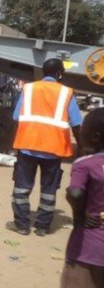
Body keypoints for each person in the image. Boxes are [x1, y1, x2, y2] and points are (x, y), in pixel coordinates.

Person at [7, 58, 83, 236]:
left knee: (21, 188)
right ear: (59, 73)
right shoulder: (66, 93)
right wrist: (83, 148)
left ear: (43, 72)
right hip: (53, 149)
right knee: (48, 190)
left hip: (27, 145)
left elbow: (16, 118)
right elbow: (77, 123)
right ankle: (42, 227)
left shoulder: (30, 89)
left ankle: (22, 225)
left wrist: (11, 145)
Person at [60, 108, 104, 288]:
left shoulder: (85, 164)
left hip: (89, 247)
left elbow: (75, 193)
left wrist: (80, 217)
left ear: (94, 136)